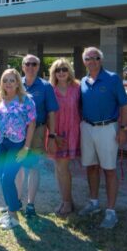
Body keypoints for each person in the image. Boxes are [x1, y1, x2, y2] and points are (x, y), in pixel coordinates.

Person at [78, 46, 127, 229]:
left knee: (109, 169)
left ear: (101, 60)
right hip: (87, 127)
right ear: (84, 61)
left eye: (96, 58)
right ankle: (93, 203)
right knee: (91, 167)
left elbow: (124, 105)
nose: (92, 61)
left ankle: (111, 211)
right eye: (88, 58)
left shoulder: (112, 78)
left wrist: (123, 128)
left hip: (108, 128)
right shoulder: (83, 81)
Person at [0, 68, 36, 230]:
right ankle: (10, 212)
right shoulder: (0, 100)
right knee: (2, 179)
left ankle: (14, 216)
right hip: (2, 144)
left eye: (12, 80)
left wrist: (26, 147)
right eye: (5, 80)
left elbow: (32, 124)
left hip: (17, 144)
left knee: (7, 178)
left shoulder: (26, 100)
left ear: (18, 82)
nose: (8, 83)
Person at [17, 54, 58, 216]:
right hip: (17, 131)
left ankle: (31, 205)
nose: (30, 67)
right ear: (22, 66)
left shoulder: (46, 87)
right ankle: (16, 201)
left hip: (38, 130)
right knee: (18, 165)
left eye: (34, 64)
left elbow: (52, 113)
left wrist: (52, 136)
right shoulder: (15, 83)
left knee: (33, 167)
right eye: (27, 63)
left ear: (38, 67)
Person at [48, 58, 81, 217]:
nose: (61, 72)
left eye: (64, 69)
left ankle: (67, 202)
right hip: (56, 132)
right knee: (59, 167)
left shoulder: (77, 88)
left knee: (63, 167)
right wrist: (52, 136)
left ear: (69, 71)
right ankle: (66, 200)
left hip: (72, 131)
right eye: (57, 70)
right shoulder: (51, 90)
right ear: (53, 73)